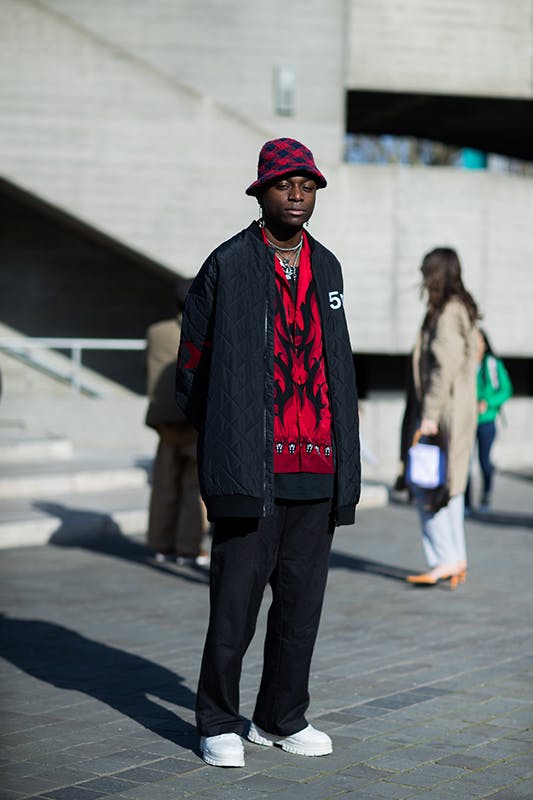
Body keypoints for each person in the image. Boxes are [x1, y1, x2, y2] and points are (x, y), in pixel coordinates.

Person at [175, 138, 360, 767]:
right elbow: (192, 367)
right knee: (235, 607)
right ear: (261, 192)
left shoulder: (329, 266)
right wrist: (227, 438)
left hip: (319, 468)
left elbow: (338, 363)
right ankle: (217, 720)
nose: (298, 195)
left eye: (308, 185)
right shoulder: (228, 263)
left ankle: (281, 717)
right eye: (285, 185)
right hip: (251, 469)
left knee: (301, 609)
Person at [406, 247, 480, 588]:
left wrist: (430, 415)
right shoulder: (461, 308)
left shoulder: (446, 312)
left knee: (429, 485)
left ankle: (442, 561)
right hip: (459, 408)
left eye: (425, 271)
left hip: (445, 409)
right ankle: (456, 559)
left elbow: (443, 365)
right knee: (450, 485)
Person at [145, 281, 210, 566]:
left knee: (164, 484)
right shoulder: (206, 331)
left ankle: (161, 544)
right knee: (194, 486)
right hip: (193, 419)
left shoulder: (155, 332)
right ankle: (188, 548)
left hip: (163, 419)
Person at [465, 328, 513, 512]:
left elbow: (506, 390)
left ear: (485, 344)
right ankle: (466, 502)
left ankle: (486, 494)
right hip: (467, 420)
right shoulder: (465, 364)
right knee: (465, 462)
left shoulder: (492, 364)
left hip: (486, 420)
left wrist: (488, 402)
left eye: (480, 341)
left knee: (484, 460)